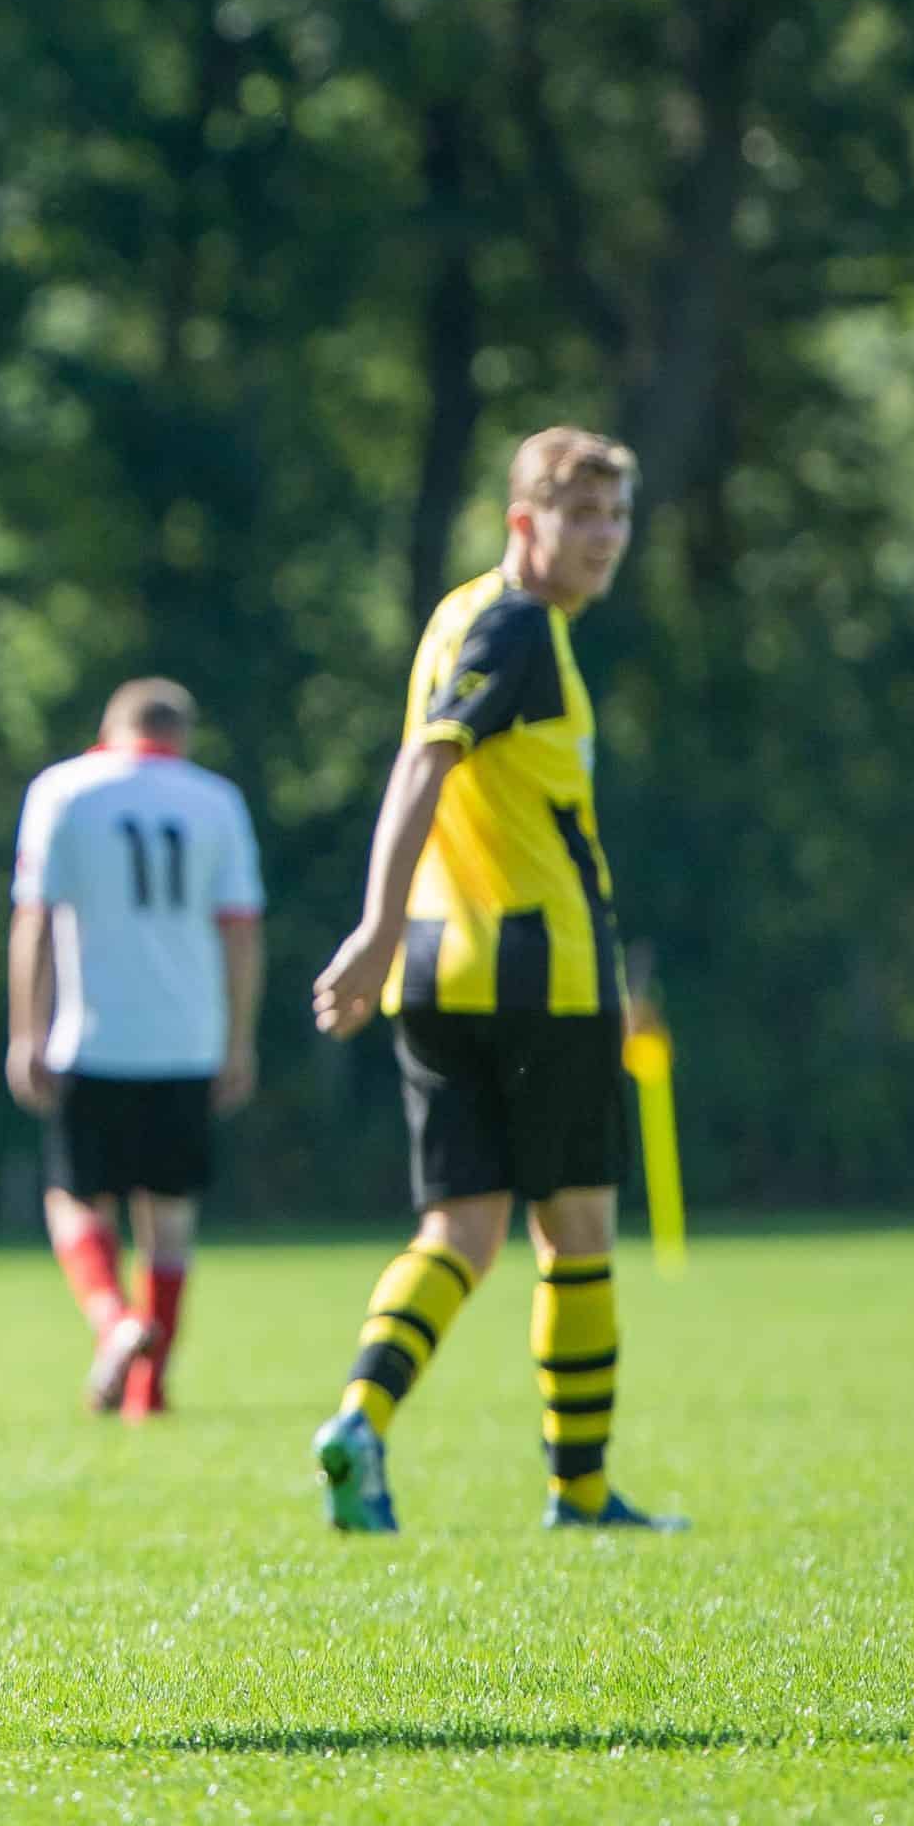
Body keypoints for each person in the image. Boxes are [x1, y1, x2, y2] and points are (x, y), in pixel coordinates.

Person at [308, 427, 685, 1534]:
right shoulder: (518, 627)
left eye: (616, 518)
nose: (605, 540)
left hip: (441, 972)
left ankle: (357, 1423)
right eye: (583, 518)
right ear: (525, 523)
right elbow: (426, 759)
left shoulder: (461, 614)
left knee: (459, 1233)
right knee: (574, 1227)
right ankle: (579, 1492)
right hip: (538, 974)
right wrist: (372, 927)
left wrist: (393, 941)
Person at [6, 679, 264, 1419]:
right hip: (187, 1039)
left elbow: (34, 919)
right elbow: (241, 928)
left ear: (109, 728)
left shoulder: (64, 789)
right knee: (171, 1216)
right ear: (180, 735)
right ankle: (150, 1390)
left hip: (91, 1035)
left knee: (74, 1199)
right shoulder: (215, 799)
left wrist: (27, 1029)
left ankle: (115, 1321)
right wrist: (237, 1038)